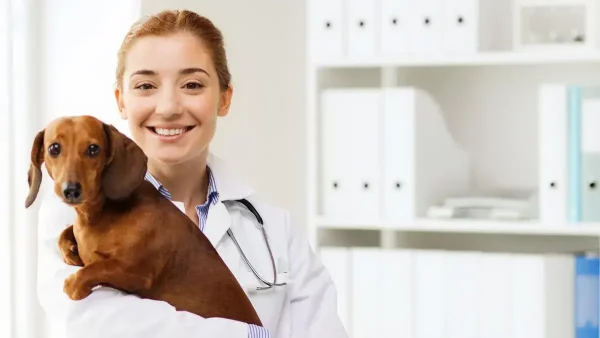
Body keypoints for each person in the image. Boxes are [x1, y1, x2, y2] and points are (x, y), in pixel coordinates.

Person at [35, 8, 349, 338]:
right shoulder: (72, 214)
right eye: (145, 85)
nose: (169, 107)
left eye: (192, 84)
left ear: (224, 99)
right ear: (121, 101)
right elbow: (98, 322)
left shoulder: (276, 231)